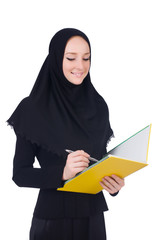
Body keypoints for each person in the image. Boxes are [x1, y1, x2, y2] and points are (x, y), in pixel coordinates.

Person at [7, 28, 125, 240]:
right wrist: (63, 172)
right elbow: (20, 174)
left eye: (86, 58)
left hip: (93, 220)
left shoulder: (98, 106)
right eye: (71, 58)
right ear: (55, 58)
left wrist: (113, 184)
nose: (80, 66)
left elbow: (99, 160)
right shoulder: (32, 109)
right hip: (52, 222)